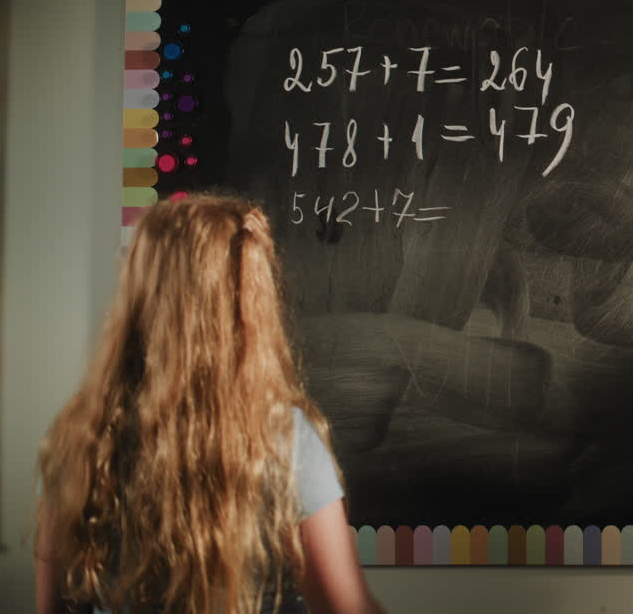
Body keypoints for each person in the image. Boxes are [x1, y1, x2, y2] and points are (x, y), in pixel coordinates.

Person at [34, 195, 384, 614]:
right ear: (246, 301)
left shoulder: (83, 436)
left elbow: (53, 607)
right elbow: (347, 608)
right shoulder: (284, 439)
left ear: (139, 294)